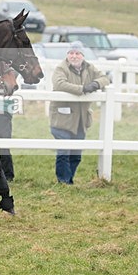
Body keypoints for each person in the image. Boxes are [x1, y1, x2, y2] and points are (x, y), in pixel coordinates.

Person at [49, 41, 110, 184]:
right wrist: (82, 89)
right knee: (64, 152)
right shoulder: (61, 68)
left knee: (76, 155)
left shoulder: (89, 68)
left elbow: (105, 78)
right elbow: (59, 84)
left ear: (82, 55)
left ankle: (69, 180)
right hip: (62, 119)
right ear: (67, 55)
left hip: (81, 120)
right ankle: (64, 182)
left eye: (77, 53)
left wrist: (95, 85)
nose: (74, 56)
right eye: (71, 53)